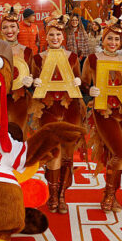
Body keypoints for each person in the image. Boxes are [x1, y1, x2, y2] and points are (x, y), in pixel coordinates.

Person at [81, 18, 122, 212]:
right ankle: (108, 195)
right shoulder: (92, 59)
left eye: (117, 39)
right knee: (120, 153)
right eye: (110, 38)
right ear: (103, 39)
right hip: (104, 112)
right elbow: (83, 83)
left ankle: (112, 195)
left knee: (119, 154)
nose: (113, 43)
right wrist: (91, 90)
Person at [30, 14, 85, 214]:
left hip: (70, 108)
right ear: (46, 36)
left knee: (68, 154)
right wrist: (33, 82)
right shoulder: (37, 58)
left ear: (63, 37)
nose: (55, 38)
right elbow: (33, 81)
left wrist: (81, 83)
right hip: (48, 108)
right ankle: (53, 195)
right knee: (53, 151)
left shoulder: (72, 57)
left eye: (58, 35)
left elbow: (81, 81)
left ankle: (62, 194)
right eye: (51, 35)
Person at [0, 7, 34, 134]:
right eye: (5, 27)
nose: (9, 31)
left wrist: (31, 81)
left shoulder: (28, 52)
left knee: (19, 136)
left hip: (20, 101)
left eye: (13, 26)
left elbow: (34, 76)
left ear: (18, 29)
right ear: (1, 30)